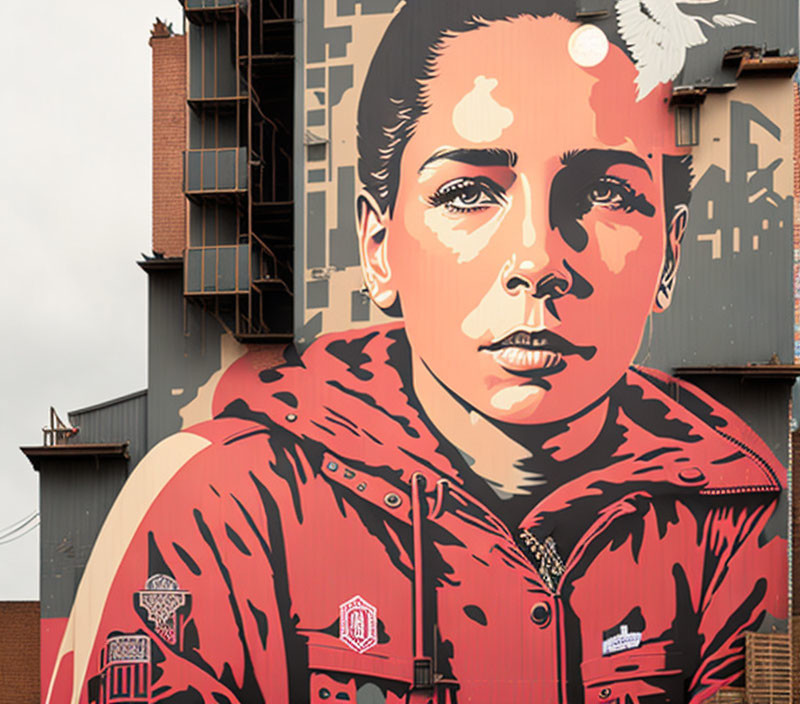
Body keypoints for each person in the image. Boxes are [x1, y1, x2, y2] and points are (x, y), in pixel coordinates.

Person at [46, 2, 786, 703]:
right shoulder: (221, 512)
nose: (538, 257)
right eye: (469, 192)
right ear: (380, 248)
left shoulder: (731, 515)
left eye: (604, 192)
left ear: (670, 253)